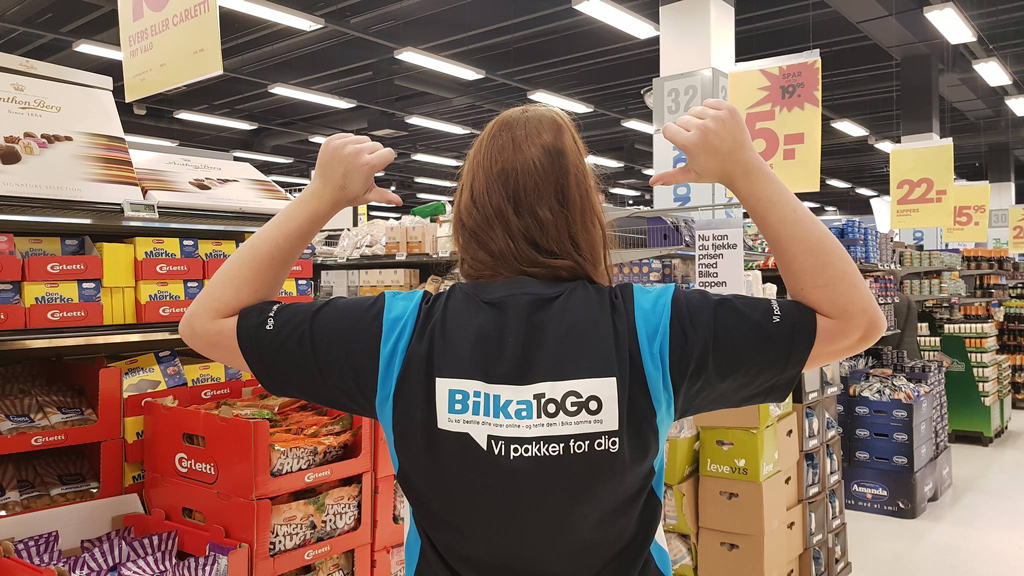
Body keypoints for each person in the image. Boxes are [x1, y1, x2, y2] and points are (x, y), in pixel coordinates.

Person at [180, 99, 885, 576]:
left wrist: (321, 197)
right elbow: (855, 321)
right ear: (586, 210)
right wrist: (747, 171)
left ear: (468, 214)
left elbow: (206, 322)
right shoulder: (655, 325)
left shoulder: (397, 331)